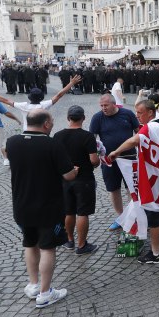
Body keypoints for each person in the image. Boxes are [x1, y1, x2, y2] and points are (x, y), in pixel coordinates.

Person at [7, 109, 78, 308]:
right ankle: (45, 293)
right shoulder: (52, 144)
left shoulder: (12, 142)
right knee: (48, 247)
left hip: (21, 205)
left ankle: (33, 285)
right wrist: (74, 170)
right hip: (48, 206)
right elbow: (69, 175)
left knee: (29, 244)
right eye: (52, 120)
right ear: (46, 124)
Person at [106, 100, 159, 264]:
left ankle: (155, 254)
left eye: (140, 112)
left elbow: (133, 141)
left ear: (151, 113)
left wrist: (116, 152)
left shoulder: (150, 127)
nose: (137, 116)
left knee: (154, 215)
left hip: (153, 180)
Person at [89, 94, 141, 230]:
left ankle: (134, 216)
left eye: (106, 105)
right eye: (101, 106)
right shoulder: (97, 118)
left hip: (129, 158)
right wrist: (94, 155)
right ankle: (121, 217)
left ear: (114, 104)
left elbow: (139, 132)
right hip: (109, 160)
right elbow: (91, 139)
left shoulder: (127, 114)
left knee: (132, 188)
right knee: (113, 189)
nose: (103, 108)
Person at [54, 106, 100, 255]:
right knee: (82, 212)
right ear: (83, 118)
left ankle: (69, 240)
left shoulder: (58, 136)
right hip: (84, 179)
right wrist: (98, 161)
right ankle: (81, 245)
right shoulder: (87, 136)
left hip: (64, 180)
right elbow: (93, 160)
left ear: (68, 118)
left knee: (69, 211)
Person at [0, 75, 81, 130]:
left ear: (29, 97)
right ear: (41, 98)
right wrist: (71, 83)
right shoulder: (44, 105)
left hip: (27, 132)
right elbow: (59, 95)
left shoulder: (24, 106)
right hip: (42, 133)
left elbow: (4, 99)